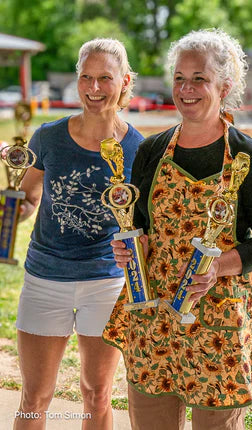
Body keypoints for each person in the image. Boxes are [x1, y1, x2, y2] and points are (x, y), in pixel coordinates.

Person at [103, 29, 252, 430]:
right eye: (180, 78)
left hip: (219, 318)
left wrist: (219, 266)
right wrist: (135, 247)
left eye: (199, 78)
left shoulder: (247, 154)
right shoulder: (152, 150)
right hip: (153, 315)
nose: (186, 89)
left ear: (224, 85)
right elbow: (140, 226)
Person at [13, 38, 143, 429]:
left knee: (97, 394)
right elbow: (29, 196)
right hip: (44, 278)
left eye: (105, 78)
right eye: (86, 77)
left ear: (124, 81)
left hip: (105, 281)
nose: (94, 88)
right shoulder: (48, 137)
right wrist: (14, 212)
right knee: (35, 396)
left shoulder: (140, 148)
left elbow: (142, 224)